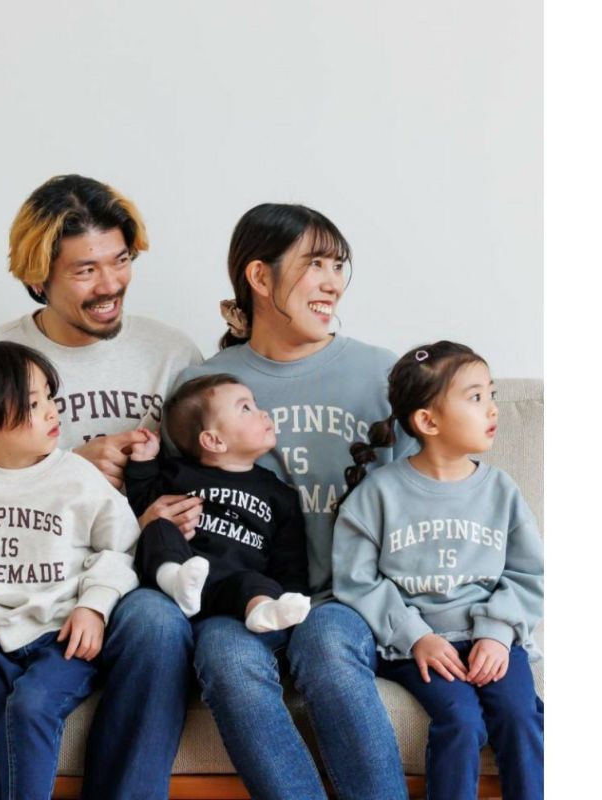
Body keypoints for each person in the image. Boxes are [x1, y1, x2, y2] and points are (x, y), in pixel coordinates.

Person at [0, 174, 203, 800]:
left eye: (120, 261)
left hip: (111, 574)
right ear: (38, 279)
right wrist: (69, 463)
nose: (110, 285)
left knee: (159, 625)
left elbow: (205, 467)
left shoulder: (171, 353)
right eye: (85, 270)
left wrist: (159, 513)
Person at [173, 203, 417, 799]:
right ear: (260, 277)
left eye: (338, 266)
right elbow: (176, 498)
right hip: (240, 602)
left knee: (326, 646)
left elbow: (421, 495)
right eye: (315, 264)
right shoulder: (203, 388)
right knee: (226, 659)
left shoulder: (382, 375)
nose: (333, 283)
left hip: (343, 601)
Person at [0, 341, 141, 800]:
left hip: (65, 637)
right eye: (33, 405)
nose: (51, 411)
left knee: (32, 707)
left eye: (48, 397)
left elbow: (122, 548)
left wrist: (94, 606)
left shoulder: (79, 477)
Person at [332, 341, 544, 800]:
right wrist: (415, 636)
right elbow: (356, 580)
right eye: (476, 397)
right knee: (461, 721)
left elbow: (529, 573)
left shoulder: (501, 490)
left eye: (491, 394)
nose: (492, 408)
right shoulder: (378, 494)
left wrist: (498, 633)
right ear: (428, 421)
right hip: (420, 647)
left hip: (494, 641)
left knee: (520, 715)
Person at [126, 373, 311, 631]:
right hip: (182, 571)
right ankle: (173, 579)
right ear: (214, 440)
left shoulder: (279, 494)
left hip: (233, 586)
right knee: (157, 526)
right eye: (245, 408)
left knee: (255, 583)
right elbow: (142, 502)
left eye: (255, 404)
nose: (262, 413)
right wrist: (143, 462)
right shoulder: (179, 474)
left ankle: (263, 610)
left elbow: (289, 560)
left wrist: (292, 598)